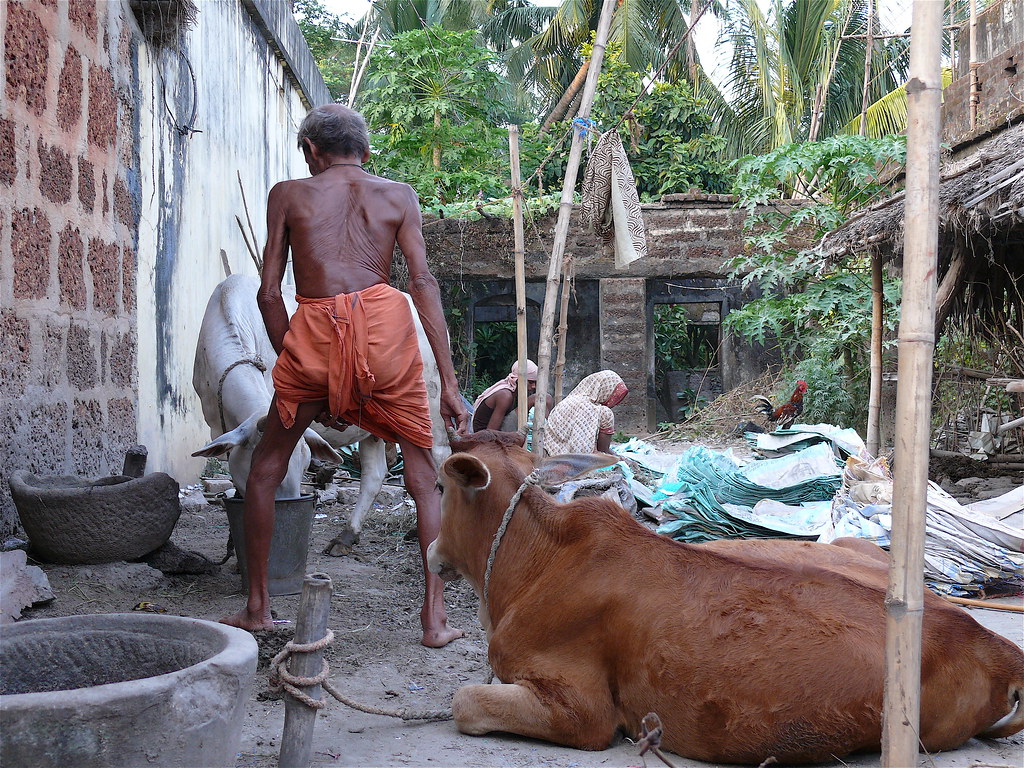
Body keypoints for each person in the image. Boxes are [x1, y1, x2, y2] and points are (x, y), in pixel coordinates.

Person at [220, 104, 469, 648]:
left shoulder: (287, 193)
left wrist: (300, 357)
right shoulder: (399, 195)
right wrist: (449, 383)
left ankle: (258, 608)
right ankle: (434, 622)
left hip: (313, 326)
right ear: (368, 152)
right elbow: (422, 283)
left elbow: (267, 293)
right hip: (386, 332)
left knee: (266, 469)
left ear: (311, 150)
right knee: (423, 477)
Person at [542, 370, 628, 455]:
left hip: (549, 452)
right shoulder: (592, 409)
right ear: (605, 390)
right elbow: (598, 450)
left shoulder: (571, 400)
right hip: (568, 458)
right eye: (614, 396)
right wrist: (616, 457)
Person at [471, 359, 551, 433]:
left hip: (493, 433)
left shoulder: (512, 390)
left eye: (535, 383)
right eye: (530, 382)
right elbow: (490, 432)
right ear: (518, 380)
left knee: (545, 398)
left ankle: (544, 435)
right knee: (543, 398)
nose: (533, 386)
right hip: (485, 436)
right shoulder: (505, 395)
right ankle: (546, 436)